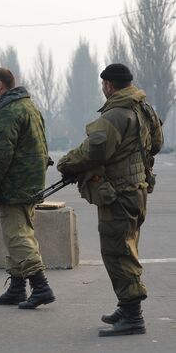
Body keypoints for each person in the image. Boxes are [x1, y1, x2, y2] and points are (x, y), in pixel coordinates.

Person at [57, 63, 163, 337]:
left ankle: (132, 315)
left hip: (119, 194)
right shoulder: (144, 109)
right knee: (127, 248)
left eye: (103, 84)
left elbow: (94, 152)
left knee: (118, 252)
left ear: (109, 85)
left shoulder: (116, 114)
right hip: (137, 190)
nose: (102, 89)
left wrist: (66, 163)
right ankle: (125, 306)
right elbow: (157, 143)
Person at [0, 68, 55, 309]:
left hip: (13, 186)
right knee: (17, 234)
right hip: (29, 184)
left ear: (0, 85)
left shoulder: (8, 111)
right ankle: (17, 288)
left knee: (17, 236)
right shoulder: (29, 107)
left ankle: (40, 286)